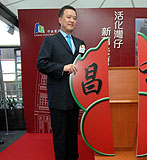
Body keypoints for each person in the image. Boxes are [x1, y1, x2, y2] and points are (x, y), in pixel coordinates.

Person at [37, 5, 86, 160]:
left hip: (75, 97)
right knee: (60, 137)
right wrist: (62, 68)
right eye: (69, 17)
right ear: (60, 20)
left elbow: (84, 64)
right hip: (58, 97)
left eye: (75, 18)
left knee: (73, 135)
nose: (72, 20)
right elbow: (41, 64)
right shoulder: (50, 41)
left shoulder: (81, 43)